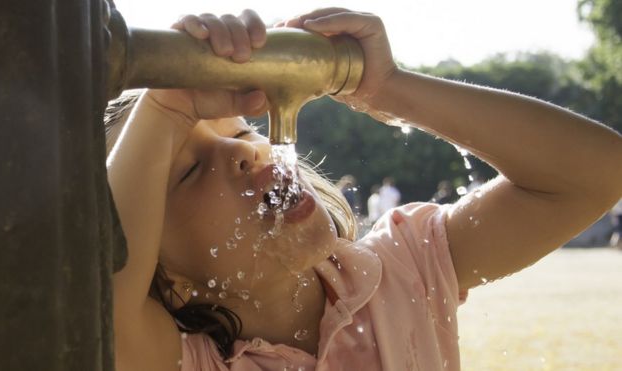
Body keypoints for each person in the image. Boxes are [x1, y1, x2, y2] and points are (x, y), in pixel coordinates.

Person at [106, 8, 622, 371]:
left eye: (243, 131)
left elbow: (597, 174)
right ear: (166, 275)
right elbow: (103, 308)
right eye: (189, 171)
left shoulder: (404, 271)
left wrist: (389, 87)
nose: (245, 152)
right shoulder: (183, 360)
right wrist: (164, 103)